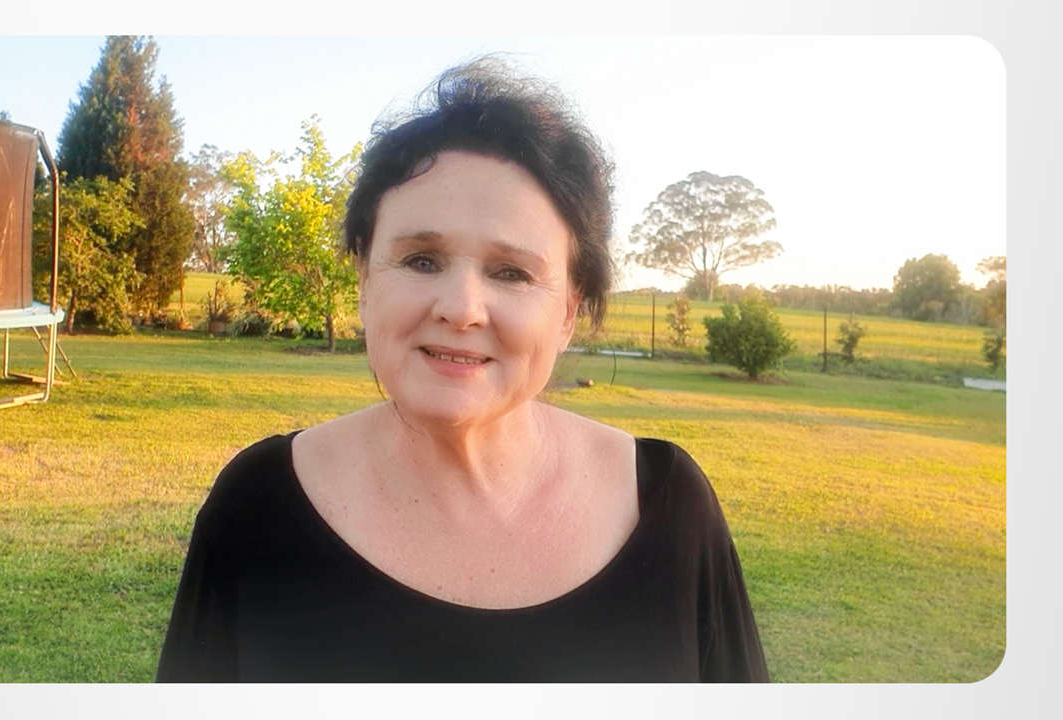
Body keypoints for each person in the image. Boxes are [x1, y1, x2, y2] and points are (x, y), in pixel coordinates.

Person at [156, 57, 768, 682]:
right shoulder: (254, 509)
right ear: (364, 282)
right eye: (422, 260)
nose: (461, 308)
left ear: (568, 311)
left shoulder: (670, 509)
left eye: (512, 273)